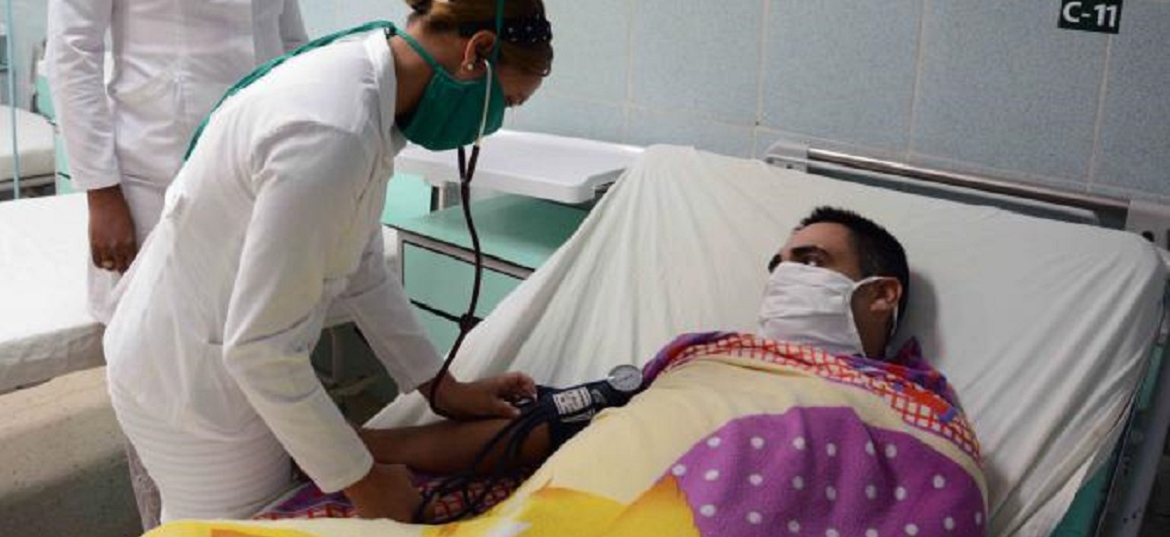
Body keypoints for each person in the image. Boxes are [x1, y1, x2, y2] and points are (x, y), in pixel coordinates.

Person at [102, 0, 555, 524]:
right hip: (191, 389)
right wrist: (364, 483)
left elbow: (360, 266)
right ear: (475, 53)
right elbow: (261, 349)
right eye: (509, 102)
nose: (492, 123)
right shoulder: (332, 130)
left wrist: (439, 388)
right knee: (228, 529)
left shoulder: (370, 84)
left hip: (200, 352)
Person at [354, 207, 926, 522]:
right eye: (778, 264)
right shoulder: (712, 355)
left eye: (810, 261)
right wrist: (362, 450)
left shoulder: (913, 415)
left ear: (882, 295)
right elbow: (551, 428)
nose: (783, 276)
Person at [46, 0, 308, 527]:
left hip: (258, 175)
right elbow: (73, 46)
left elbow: (290, 37)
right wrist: (100, 190)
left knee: (254, 362)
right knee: (160, 383)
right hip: (151, 181)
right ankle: (166, 524)